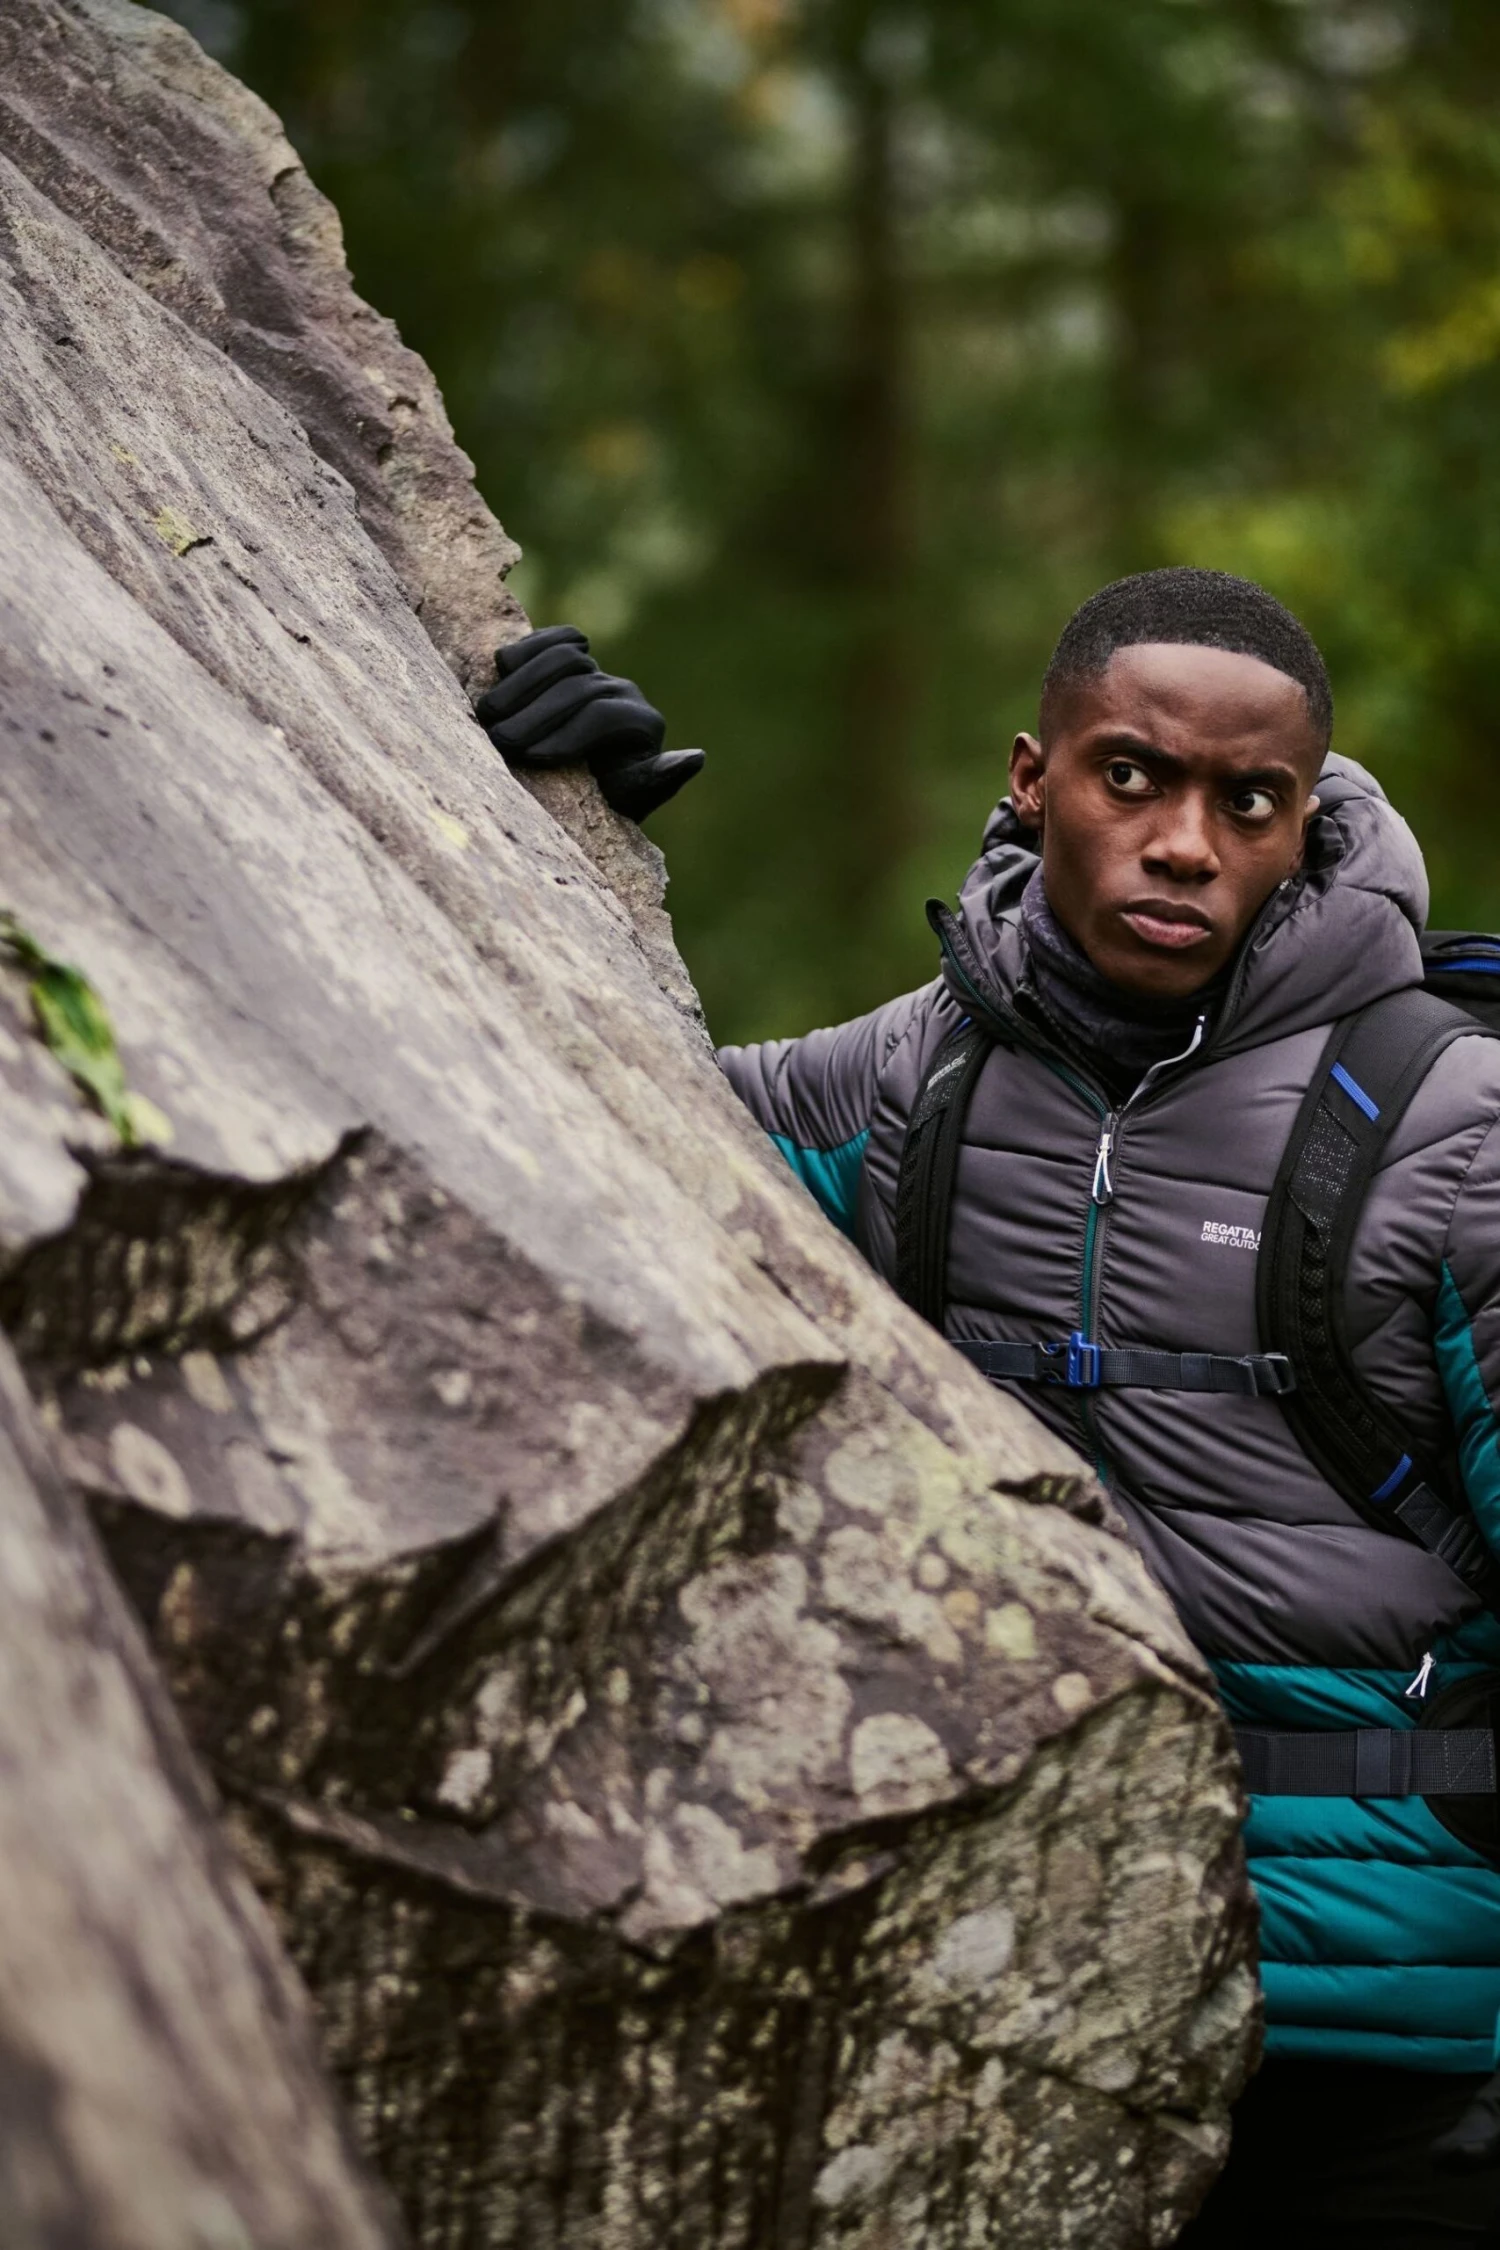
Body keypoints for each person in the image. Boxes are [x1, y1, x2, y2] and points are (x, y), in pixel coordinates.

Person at [479, 568, 1500, 2248]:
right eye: (1132, 776)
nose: (1185, 844)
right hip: (1009, 1998)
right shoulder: (916, 1076)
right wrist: (551, 846)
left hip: (1386, 2058)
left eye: (1247, 804)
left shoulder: (1449, 1132)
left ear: (1304, 823)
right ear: (1034, 779)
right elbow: (574, 1129)